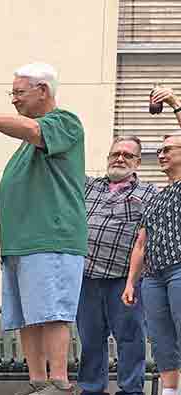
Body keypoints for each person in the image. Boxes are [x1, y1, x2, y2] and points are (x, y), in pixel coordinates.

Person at [0, 62, 86, 395]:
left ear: (43, 90)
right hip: (22, 244)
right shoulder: (27, 142)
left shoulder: (64, 122)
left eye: (18, 92)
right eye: (10, 93)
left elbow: (33, 131)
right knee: (28, 315)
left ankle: (59, 382)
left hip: (51, 238)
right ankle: (38, 382)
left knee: (53, 312)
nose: (13, 99)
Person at [77, 136, 156, 395]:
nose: (120, 158)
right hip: (86, 278)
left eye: (127, 155)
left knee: (130, 338)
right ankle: (91, 389)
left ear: (137, 162)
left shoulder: (148, 193)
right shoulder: (88, 186)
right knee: (89, 339)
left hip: (125, 280)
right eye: (115, 154)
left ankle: (132, 390)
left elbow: (147, 240)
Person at [123, 132, 181, 395]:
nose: (161, 154)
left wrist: (171, 102)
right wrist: (130, 283)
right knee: (160, 339)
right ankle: (169, 391)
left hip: (179, 269)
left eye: (168, 149)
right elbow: (140, 244)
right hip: (154, 277)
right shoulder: (156, 197)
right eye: (159, 150)